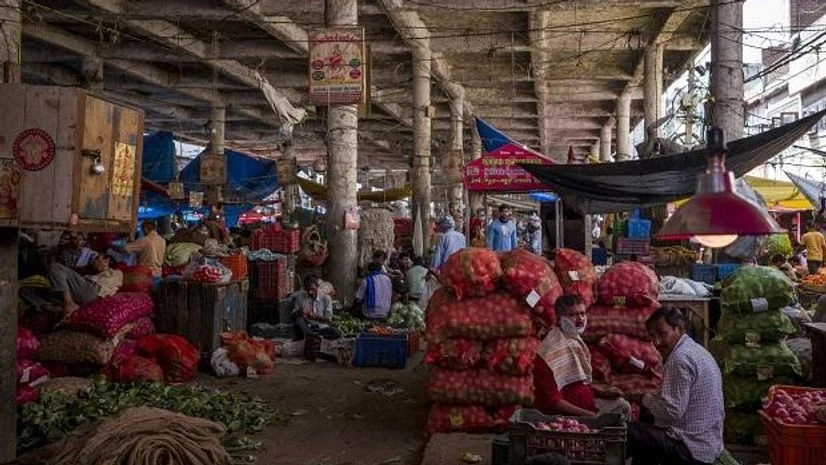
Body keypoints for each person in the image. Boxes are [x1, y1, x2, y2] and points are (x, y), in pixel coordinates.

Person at [627, 307, 724, 465]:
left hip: (692, 448)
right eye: (653, 337)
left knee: (632, 432)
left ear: (678, 329)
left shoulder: (679, 359)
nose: (657, 342)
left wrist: (644, 399)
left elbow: (671, 411)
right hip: (708, 443)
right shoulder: (697, 351)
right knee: (646, 423)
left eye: (662, 334)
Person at [533, 294, 631, 418]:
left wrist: (601, 391)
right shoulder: (549, 352)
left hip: (587, 405)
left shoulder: (574, 340)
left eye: (583, 313)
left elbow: (575, 381)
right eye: (573, 315)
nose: (580, 319)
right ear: (559, 319)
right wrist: (590, 416)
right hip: (566, 416)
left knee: (623, 406)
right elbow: (552, 402)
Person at [48, 253, 123, 312]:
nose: (94, 261)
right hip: (85, 294)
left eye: (97, 259)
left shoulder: (115, 273)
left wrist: (102, 269)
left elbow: (113, 284)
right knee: (43, 289)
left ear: (106, 261)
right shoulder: (93, 275)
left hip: (92, 291)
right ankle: (62, 307)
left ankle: (68, 302)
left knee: (55, 266)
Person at [291, 275, 341, 341]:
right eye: (307, 289)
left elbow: (329, 318)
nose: (310, 292)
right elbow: (293, 316)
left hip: (321, 327)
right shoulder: (299, 298)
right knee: (299, 322)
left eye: (312, 289)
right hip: (306, 326)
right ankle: (313, 335)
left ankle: (313, 335)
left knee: (337, 333)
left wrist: (315, 317)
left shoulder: (326, 298)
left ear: (317, 286)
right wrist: (299, 312)